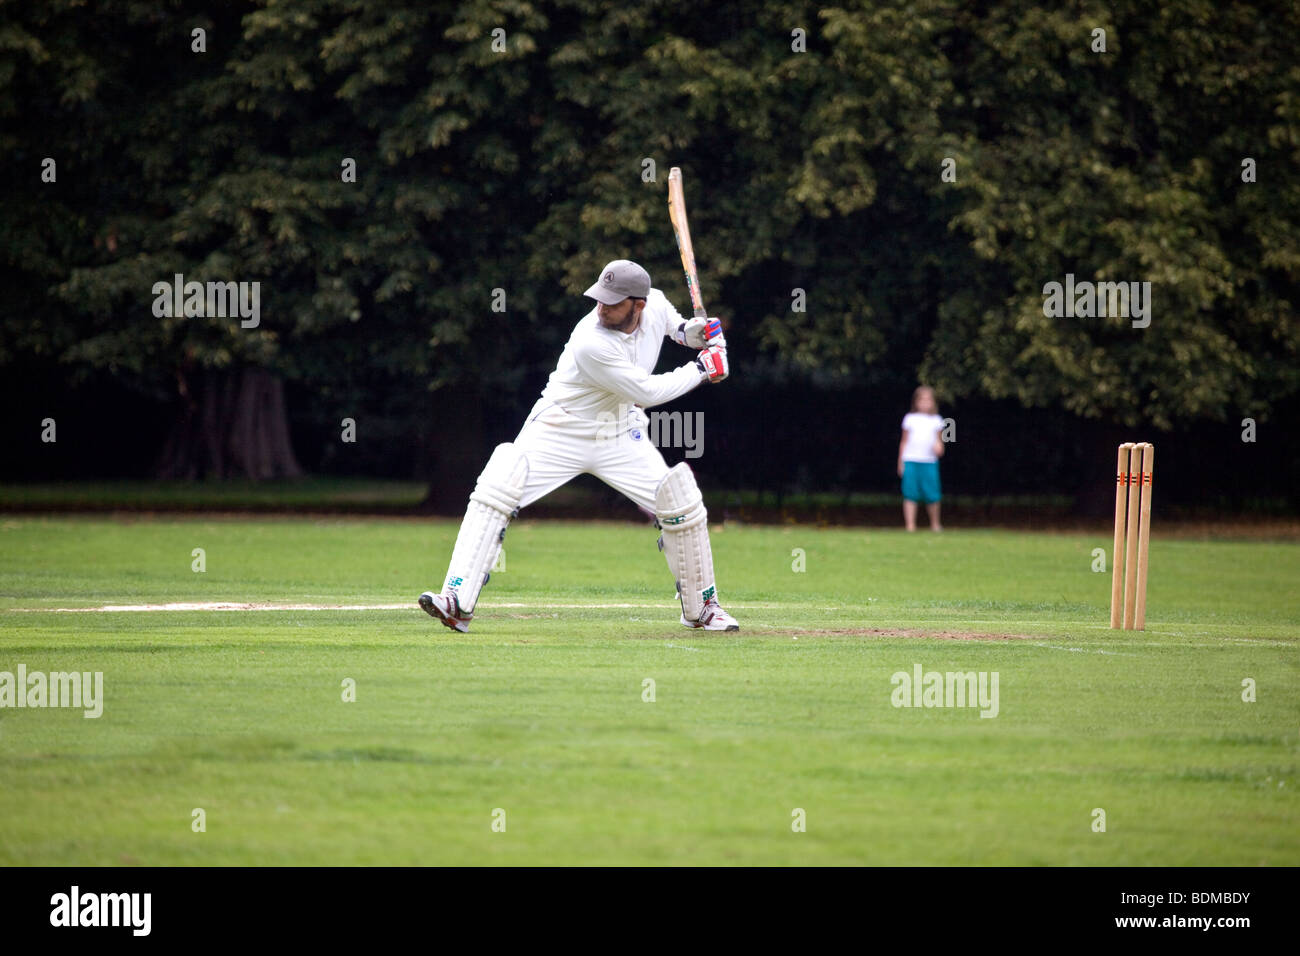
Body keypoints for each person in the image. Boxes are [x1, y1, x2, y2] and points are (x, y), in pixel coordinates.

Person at [419, 259, 740, 632]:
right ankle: (456, 601)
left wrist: (693, 333)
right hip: (560, 427)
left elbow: (677, 328)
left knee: (681, 501)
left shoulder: (657, 302)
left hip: (620, 432)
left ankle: (702, 610)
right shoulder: (591, 341)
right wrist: (702, 369)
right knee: (498, 484)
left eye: (613, 302)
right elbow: (647, 392)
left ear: (639, 304)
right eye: (600, 299)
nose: (602, 308)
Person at [897, 386, 946, 532]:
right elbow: (904, 441)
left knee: (932, 493)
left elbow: (941, 441)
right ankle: (910, 525)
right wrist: (900, 461)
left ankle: (935, 524)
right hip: (911, 460)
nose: (925, 403)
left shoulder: (938, 420)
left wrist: (939, 447)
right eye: (922, 400)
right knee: (910, 493)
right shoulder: (909, 418)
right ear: (916, 402)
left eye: (928, 400)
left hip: (929, 462)